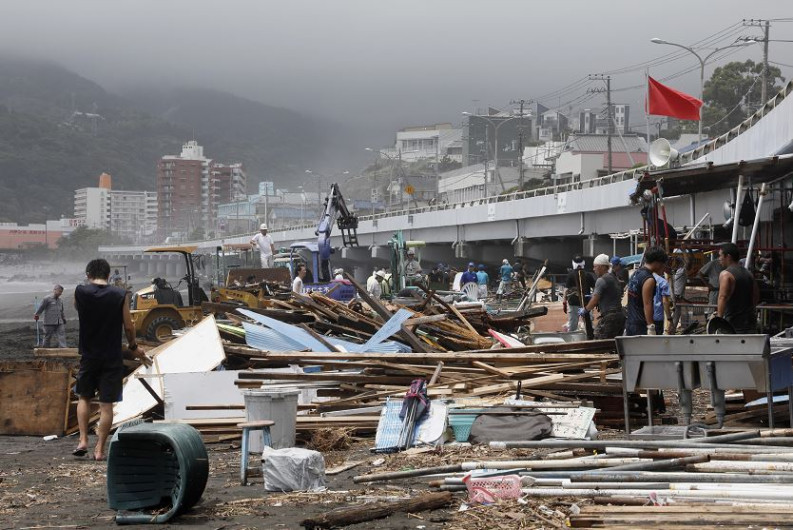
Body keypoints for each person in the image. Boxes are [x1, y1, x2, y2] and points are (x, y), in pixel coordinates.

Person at [74, 258, 148, 461]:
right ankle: (99, 450)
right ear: (108, 275)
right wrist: (133, 347)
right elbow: (129, 326)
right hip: (112, 357)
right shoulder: (119, 294)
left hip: (89, 355)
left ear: (88, 275)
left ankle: (82, 440)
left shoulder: (80, 291)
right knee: (106, 406)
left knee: (84, 397)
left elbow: (77, 307)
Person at [579, 254, 625, 339]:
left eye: (595, 266)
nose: (594, 269)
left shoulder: (601, 280)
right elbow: (609, 294)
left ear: (603, 267)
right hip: (619, 315)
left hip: (610, 317)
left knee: (599, 341)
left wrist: (585, 309)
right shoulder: (613, 277)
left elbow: (595, 300)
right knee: (614, 344)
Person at [715, 242, 759, 333]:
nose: (719, 259)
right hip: (750, 322)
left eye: (720, 256)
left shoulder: (726, 274)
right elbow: (756, 296)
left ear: (728, 256)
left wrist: (719, 319)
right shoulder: (748, 273)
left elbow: (722, 297)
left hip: (733, 324)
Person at [625, 247, 668, 336]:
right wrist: (651, 327)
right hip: (641, 326)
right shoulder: (649, 279)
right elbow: (647, 304)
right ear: (657, 262)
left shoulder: (636, 273)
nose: (663, 267)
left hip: (631, 322)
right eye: (663, 264)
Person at [563, 255, 595, 332]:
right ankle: (590, 340)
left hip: (573, 303)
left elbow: (566, 289)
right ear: (583, 263)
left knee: (573, 325)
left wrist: (564, 301)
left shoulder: (571, 275)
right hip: (586, 303)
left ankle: (572, 341)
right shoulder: (588, 274)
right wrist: (593, 300)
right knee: (588, 325)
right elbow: (595, 289)